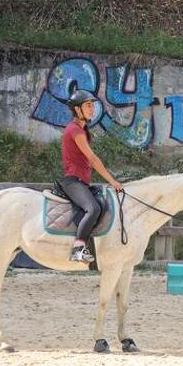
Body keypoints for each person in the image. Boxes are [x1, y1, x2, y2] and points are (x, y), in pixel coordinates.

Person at [60, 90, 123, 263]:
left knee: (101, 205)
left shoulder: (83, 130)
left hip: (82, 182)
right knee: (93, 208)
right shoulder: (75, 131)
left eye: (93, 105)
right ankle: (78, 248)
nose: (92, 108)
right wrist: (113, 181)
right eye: (88, 105)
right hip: (73, 181)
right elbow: (93, 160)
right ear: (77, 109)